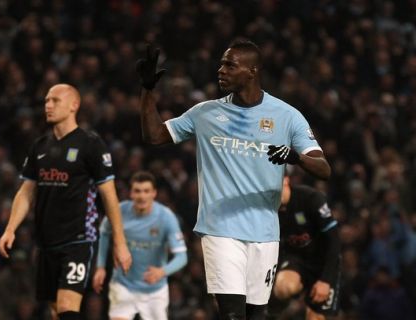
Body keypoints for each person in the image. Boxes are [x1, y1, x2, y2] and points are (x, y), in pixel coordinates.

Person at [136, 39, 331, 320]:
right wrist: (147, 90)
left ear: (252, 71)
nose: (221, 70)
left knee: (256, 315)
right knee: (232, 315)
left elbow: (324, 168)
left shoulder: (287, 116)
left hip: (265, 232)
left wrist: (296, 157)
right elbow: (154, 135)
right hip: (220, 228)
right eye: (221, 63)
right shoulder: (205, 113)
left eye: (230, 65)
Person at [0, 83, 132, 320]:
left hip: (78, 239)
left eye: (55, 101)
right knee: (55, 311)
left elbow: (109, 195)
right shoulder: (40, 146)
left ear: (74, 105)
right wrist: (10, 229)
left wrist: (120, 243)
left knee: (67, 307)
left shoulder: (90, 144)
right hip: (46, 242)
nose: (48, 105)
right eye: (46, 101)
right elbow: (26, 192)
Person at [92, 171, 188, 320]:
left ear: (154, 193)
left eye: (146, 191)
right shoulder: (119, 212)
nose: (142, 196)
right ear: (131, 193)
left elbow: (182, 256)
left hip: (155, 290)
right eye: (137, 191)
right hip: (123, 285)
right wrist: (100, 267)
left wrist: (162, 271)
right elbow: (104, 233)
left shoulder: (166, 217)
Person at [267, 177, 341, 320]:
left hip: (323, 261)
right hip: (296, 259)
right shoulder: (269, 210)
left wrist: (326, 280)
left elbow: (334, 240)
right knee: (284, 287)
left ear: (286, 180)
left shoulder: (311, 198)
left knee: (316, 318)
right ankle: (271, 312)